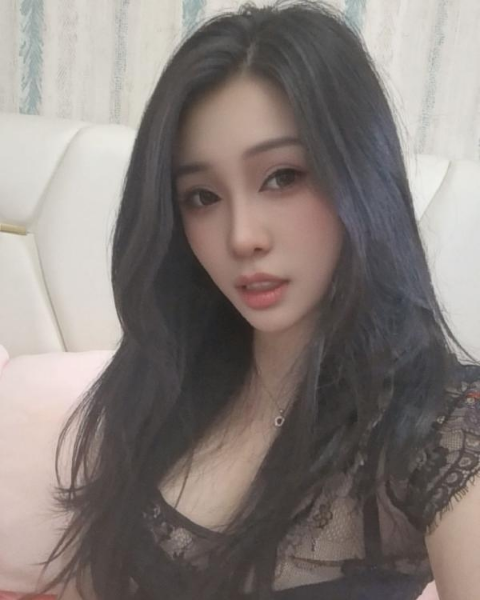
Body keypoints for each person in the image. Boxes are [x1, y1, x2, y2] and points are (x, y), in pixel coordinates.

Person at [37, 1, 480, 599]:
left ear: (359, 175)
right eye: (202, 197)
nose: (242, 237)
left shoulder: (441, 429)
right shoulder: (156, 384)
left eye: (283, 177)